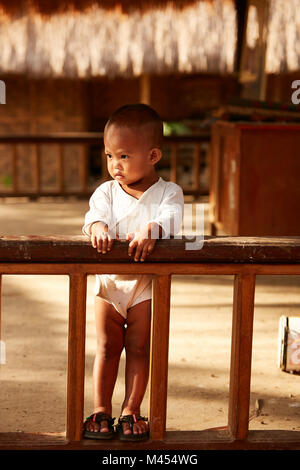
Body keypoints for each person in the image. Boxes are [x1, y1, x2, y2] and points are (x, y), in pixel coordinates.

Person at [82, 103, 184, 441]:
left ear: (153, 155)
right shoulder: (107, 192)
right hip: (110, 285)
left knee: (139, 348)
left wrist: (152, 228)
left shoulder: (168, 193)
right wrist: (96, 226)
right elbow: (93, 215)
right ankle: (101, 409)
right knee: (108, 347)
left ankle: (131, 409)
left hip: (144, 285)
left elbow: (172, 217)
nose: (114, 165)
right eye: (110, 155)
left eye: (123, 156)